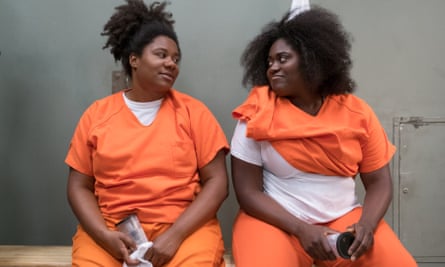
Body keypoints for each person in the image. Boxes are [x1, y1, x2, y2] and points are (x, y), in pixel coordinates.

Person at [230, 6, 417, 267]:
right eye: (269, 62)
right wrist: (300, 228)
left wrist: (366, 226)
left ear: (312, 59)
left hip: (343, 221)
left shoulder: (357, 113)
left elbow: (379, 183)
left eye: (283, 59)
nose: (273, 68)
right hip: (277, 224)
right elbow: (247, 192)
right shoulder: (257, 112)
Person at [65, 1, 229, 266]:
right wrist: (104, 235)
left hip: (184, 229)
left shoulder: (194, 113)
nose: (171, 64)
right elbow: (78, 186)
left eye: (176, 59)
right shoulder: (97, 115)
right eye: (161, 55)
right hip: (111, 228)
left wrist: (175, 235)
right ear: (134, 59)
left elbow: (218, 182)